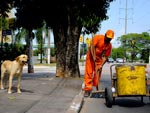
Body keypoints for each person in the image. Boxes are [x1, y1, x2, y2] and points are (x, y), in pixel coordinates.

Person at [83, 29, 114, 97]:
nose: (108, 40)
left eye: (110, 39)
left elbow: (105, 57)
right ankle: (87, 89)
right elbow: (92, 47)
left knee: (98, 74)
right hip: (91, 57)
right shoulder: (98, 37)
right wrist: (93, 57)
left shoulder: (109, 46)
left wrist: (101, 65)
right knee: (89, 73)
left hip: (99, 59)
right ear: (105, 35)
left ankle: (95, 89)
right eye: (107, 38)